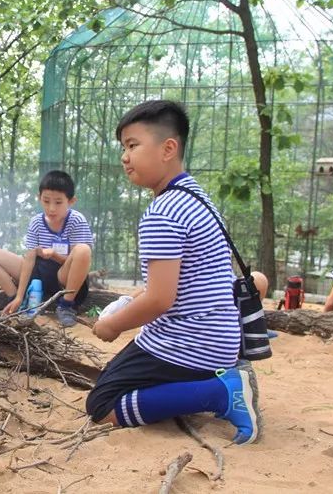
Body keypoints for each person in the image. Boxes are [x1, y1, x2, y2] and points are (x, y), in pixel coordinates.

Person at [86, 100, 262, 445]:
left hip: (190, 341)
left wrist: (111, 325)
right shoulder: (196, 197)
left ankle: (222, 394)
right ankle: (218, 381)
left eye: (133, 145)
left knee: (101, 404)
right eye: (123, 147)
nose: (125, 156)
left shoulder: (162, 212)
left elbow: (160, 299)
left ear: (169, 148)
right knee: (123, 378)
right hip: (220, 338)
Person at [0, 170, 93, 327]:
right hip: (38, 274)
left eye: (58, 202)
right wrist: (19, 296)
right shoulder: (36, 222)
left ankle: (66, 306)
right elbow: (29, 259)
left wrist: (53, 254)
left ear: (71, 201)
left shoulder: (76, 220)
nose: (51, 208)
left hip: (63, 277)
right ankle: (17, 301)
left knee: (83, 250)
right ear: (39, 198)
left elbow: (79, 261)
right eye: (46, 201)